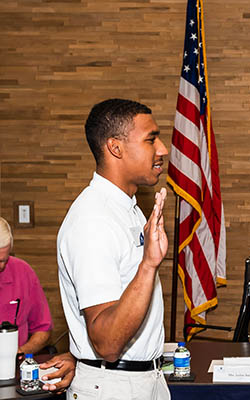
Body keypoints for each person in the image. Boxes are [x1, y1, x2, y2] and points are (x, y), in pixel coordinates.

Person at [57, 98, 170, 400]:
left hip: (140, 381)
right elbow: (106, 343)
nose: (162, 150)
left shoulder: (126, 208)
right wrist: (148, 264)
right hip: (113, 388)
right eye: (151, 139)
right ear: (115, 148)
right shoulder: (93, 219)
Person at [0, 217, 53, 355]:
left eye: (3, 260)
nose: (1, 266)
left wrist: (21, 352)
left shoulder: (23, 272)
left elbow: (43, 329)